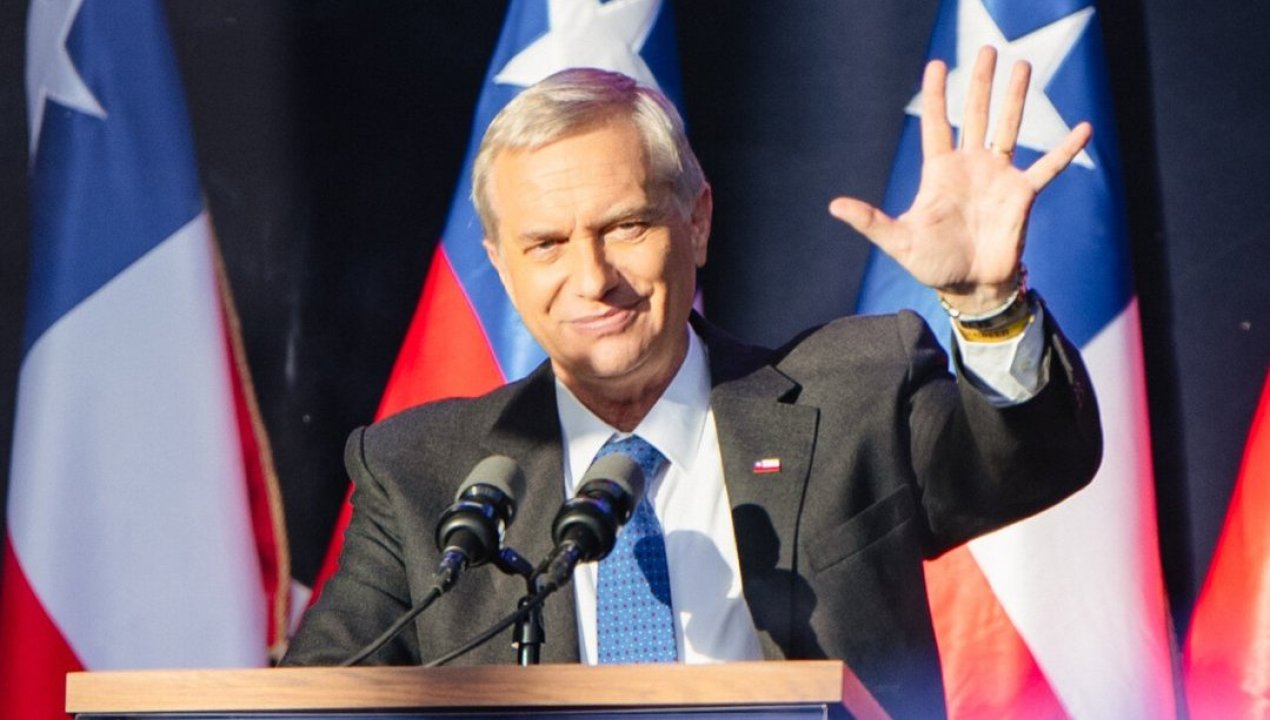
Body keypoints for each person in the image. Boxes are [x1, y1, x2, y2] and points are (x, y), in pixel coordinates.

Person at [284, 48, 1102, 719]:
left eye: (626, 226)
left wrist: (988, 305)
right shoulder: (424, 473)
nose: (592, 278)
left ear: (698, 222)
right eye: (546, 245)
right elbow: (312, 700)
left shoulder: (854, 395)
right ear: (500, 265)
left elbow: (1033, 461)